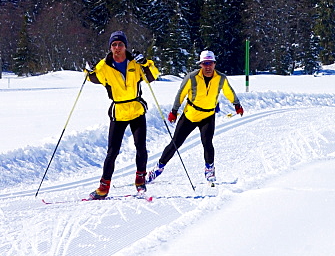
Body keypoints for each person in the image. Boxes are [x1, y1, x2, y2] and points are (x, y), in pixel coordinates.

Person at [146, 49, 243, 185]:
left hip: (208, 116)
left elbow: (229, 91)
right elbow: (181, 94)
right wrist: (174, 111)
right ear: (200, 65)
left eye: (210, 63)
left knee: (207, 143)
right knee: (175, 144)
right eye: (205, 64)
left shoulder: (221, 78)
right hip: (190, 115)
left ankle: (209, 170)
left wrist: (237, 104)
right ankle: (158, 168)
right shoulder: (192, 77)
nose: (208, 67)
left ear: (214, 64)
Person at [84, 30, 160, 199]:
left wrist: (146, 63)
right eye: (114, 45)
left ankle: (140, 182)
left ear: (125, 46)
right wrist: (88, 71)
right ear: (110, 47)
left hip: (136, 109)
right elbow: (94, 77)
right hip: (118, 112)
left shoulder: (136, 63)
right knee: (112, 152)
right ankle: (103, 188)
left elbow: (152, 77)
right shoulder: (104, 65)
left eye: (120, 44)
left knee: (141, 148)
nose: (117, 48)